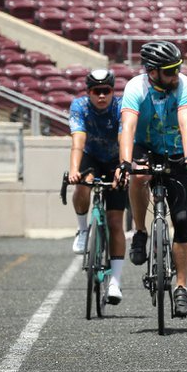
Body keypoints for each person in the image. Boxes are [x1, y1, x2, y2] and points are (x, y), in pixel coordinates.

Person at [115, 41, 187, 318]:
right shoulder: (135, 87)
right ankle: (140, 231)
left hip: (176, 149)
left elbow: (186, 122)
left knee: (184, 220)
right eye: (169, 70)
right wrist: (125, 162)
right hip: (145, 147)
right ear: (152, 72)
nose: (176, 74)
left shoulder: (183, 84)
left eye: (178, 68)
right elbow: (127, 126)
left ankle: (181, 288)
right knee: (138, 176)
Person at [67, 68, 126, 304]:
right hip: (91, 156)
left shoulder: (121, 107)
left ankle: (116, 283)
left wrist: (124, 166)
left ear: (112, 91)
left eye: (106, 91)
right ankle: (83, 230)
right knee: (82, 185)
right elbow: (77, 141)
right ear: (88, 92)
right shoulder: (79, 106)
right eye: (96, 91)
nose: (101, 96)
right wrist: (74, 170)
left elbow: (125, 139)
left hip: (115, 160)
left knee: (114, 222)